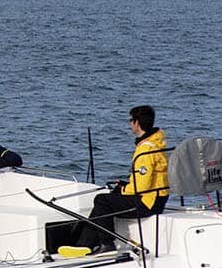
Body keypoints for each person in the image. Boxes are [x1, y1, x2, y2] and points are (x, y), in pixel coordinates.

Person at [68, 104, 170, 253]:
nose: (130, 124)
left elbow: (142, 186)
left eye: (131, 120)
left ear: (136, 123)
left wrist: (124, 189)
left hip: (148, 202)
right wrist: (124, 185)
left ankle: (106, 244)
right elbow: (147, 178)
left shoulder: (146, 150)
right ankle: (84, 244)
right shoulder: (155, 143)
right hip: (155, 198)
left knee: (101, 201)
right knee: (110, 198)